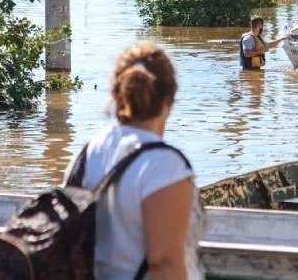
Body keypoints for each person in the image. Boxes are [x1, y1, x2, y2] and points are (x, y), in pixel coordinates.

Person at [63, 43, 204, 279]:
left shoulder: (88, 152)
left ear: (115, 95)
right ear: (170, 98)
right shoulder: (164, 166)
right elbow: (165, 264)